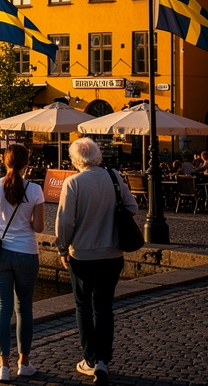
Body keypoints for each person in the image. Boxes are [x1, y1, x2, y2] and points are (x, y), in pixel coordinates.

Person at [56, 137, 139, 385]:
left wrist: (62, 249)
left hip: (82, 254)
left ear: (75, 160)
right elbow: (132, 207)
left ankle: (90, 360)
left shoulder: (72, 183)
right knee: (104, 308)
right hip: (112, 253)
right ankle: (103, 361)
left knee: (83, 307)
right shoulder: (114, 177)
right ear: (97, 156)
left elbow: (65, 222)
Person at [0, 144, 45, 382]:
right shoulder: (36, 189)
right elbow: (39, 227)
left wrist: (1, 215)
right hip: (27, 252)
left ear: (4, 161)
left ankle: (3, 367)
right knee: (24, 309)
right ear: (27, 163)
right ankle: (24, 363)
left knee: (2, 309)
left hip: (0, 253)